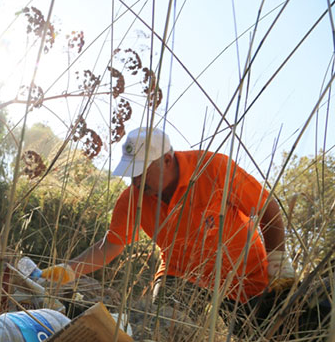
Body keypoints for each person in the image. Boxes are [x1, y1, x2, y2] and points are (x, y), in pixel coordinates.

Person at [61, 127, 297, 329]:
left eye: (141, 173)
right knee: (162, 330)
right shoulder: (133, 198)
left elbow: (268, 209)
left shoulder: (214, 169)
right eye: (131, 174)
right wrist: (67, 270)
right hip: (180, 273)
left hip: (245, 274)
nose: (135, 182)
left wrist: (277, 263)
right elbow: (111, 244)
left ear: (166, 160)